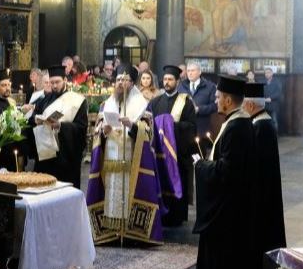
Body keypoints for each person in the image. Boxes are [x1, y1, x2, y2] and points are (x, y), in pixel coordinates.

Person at [192, 75, 261, 269]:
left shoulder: (237, 127)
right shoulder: (237, 122)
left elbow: (227, 171)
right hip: (235, 207)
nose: (216, 100)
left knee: (225, 262)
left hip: (228, 212)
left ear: (229, 100)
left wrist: (201, 166)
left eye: (218, 97)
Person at [87, 65, 176, 245]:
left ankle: (130, 233)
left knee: (129, 192)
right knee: (111, 193)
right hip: (110, 158)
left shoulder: (143, 104)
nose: (121, 83)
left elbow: (150, 134)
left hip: (133, 158)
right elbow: (95, 132)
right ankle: (111, 231)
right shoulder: (106, 104)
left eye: (125, 79)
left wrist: (133, 126)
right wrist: (103, 131)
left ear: (132, 82)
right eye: (118, 79)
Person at [242, 82, 286, 269]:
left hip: (261, 194)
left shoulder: (260, 126)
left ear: (250, 105)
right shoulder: (263, 122)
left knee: (261, 237)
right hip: (265, 191)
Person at [148, 65, 197, 226]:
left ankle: (177, 216)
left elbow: (191, 127)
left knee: (177, 181)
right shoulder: (155, 102)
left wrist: (171, 127)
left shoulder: (186, 102)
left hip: (177, 154)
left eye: (170, 79)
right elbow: (148, 124)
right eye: (165, 79)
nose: (167, 82)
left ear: (177, 81)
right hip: (159, 154)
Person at [31, 65, 88, 188]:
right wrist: (36, 119)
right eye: (52, 83)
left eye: (57, 82)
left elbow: (81, 128)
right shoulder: (44, 99)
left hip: (66, 157)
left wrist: (61, 126)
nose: (54, 86)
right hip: (46, 155)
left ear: (65, 81)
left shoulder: (77, 101)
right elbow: (35, 115)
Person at [180, 62, 218, 140]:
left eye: (193, 71)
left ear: (199, 72)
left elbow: (215, 106)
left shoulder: (210, 87)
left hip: (202, 128)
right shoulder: (181, 86)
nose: (190, 73)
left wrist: (199, 109)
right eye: (188, 71)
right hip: (185, 128)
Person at [264, 67, 283, 133]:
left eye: (268, 72)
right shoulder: (263, 82)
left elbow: (279, 93)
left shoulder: (277, 82)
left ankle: (274, 136)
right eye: (266, 73)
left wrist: (271, 98)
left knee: (274, 121)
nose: (267, 74)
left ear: (272, 73)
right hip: (265, 105)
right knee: (266, 121)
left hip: (274, 105)